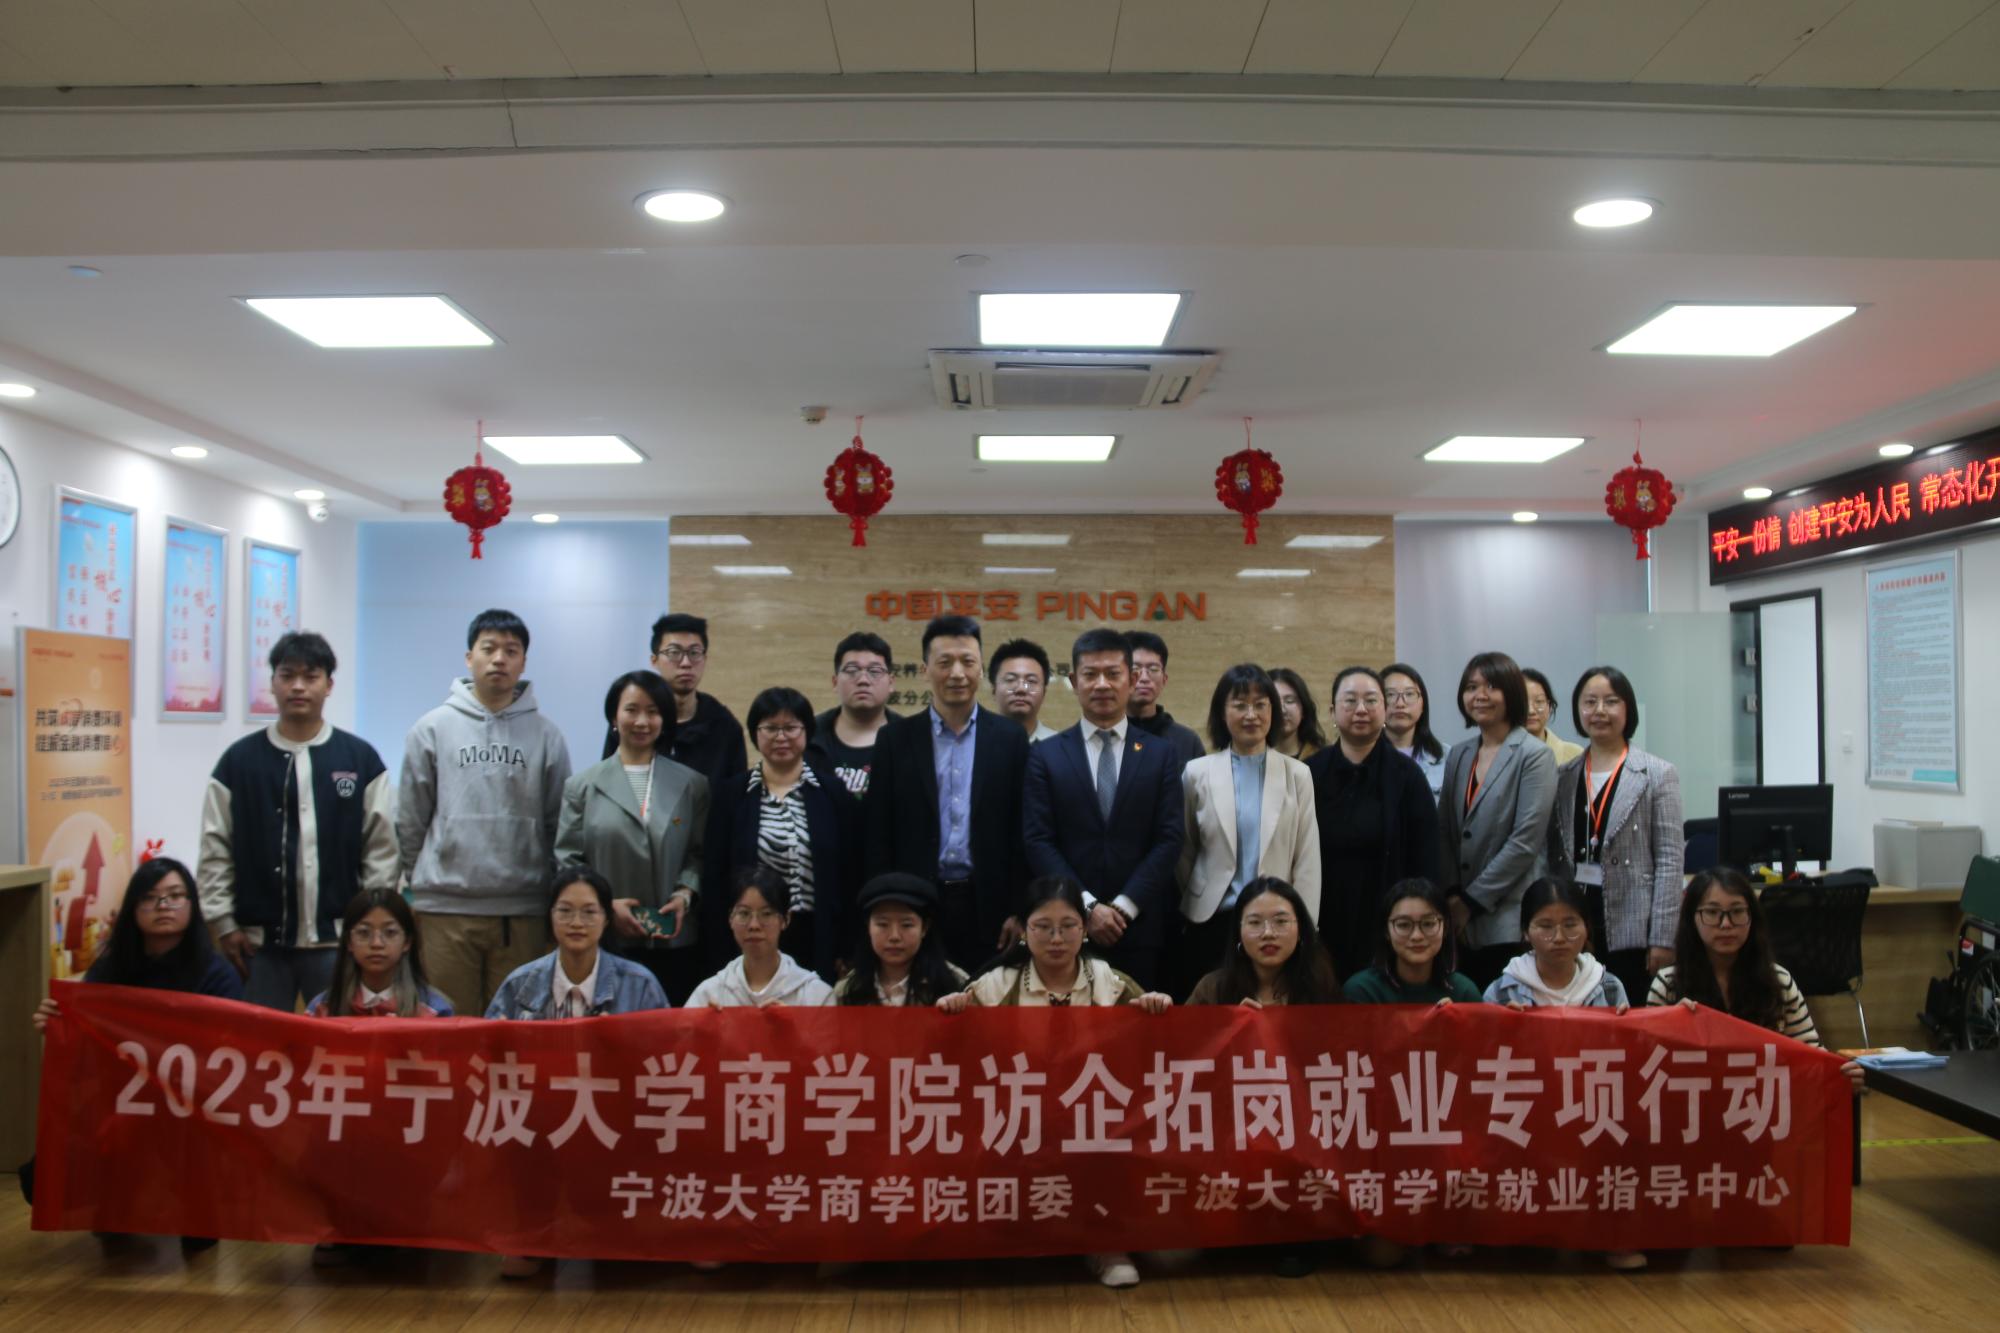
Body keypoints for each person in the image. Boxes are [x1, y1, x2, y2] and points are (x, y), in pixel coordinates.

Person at [938, 877, 1170, 1290]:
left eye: (1068, 926)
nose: (1056, 938)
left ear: (1085, 930)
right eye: (1043, 927)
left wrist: (1157, 1008)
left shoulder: (1110, 982)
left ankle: (1105, 1245)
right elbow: (949, 1056)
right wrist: (951, 1012)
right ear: (1023, 931)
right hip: (1016, 1121)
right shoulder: (995, 986)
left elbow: (1161, 1049)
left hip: (1092, 1123)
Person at [29, 858, 240, 1253]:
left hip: (192, 1099)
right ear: (133, 908)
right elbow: (84, 1028)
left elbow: (231, 1042)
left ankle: (196, 1210)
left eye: (175, 896)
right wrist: (56, 1025)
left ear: (192, 905)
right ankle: (115, 1206)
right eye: (151, 898)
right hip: (122, 1094)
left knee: (199, 1227)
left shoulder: (216, 972)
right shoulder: (110, 968)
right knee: (60, 1163)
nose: (164, 906)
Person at [198, 630, 398, 1012]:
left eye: (311, 676)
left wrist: (370, 927)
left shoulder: (360, 759)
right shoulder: (238, 762)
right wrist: (223, 922)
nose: (298, 687)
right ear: (272, 683)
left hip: (339, 941)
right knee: (261, 1041)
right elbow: (215, 847)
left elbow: (381, 850)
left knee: (339, 1038)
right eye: (287, 675)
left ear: (329, 685)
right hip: (256, 946)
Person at [486, 865, 669, 1279]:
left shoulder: (640, 984)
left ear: (606, 919)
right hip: (539, 1123)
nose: (576, 922)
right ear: (550, 917)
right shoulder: (519, 984)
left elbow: (664, 1068)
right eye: (565, 911)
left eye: (589, 912)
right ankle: (534, 1230)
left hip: (615, 1122)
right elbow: (489, 1063)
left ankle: (611, 1224)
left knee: (616, 1262)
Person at [397, 609, 573, 1016]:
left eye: (511, 651)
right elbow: (410, 819)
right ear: (468, 657)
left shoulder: (547, 735)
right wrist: (420, 883)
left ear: (523, 662)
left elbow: (558, 823)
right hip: (445, 910)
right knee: (448, 1027)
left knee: (515, 1029)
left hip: (522, 912)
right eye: (489, 648)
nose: (499, 659)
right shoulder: (432, 728)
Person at [1481, 878, 1642, 1271]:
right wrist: (1500, 1030)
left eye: (1570, 925)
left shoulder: (1609, 987)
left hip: (1591, 1109)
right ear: (1525, 931)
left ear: (1587, 929)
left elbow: (1631, 1064)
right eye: (1545, 926)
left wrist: (1628, 1032)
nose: (1558, 937)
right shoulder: (1501, 991)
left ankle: (1610, 1235)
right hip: (1527, 1113)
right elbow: (1481, 1067)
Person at [1023, 628, 1185, 990]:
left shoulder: (1160, 754)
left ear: (1131, 679)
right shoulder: (1046, 755)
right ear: (1073, 681)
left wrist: (1124, 906)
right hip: (1066, 927)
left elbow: (1170, 839)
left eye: (1113, 674)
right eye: (1090, 674)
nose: (1102, 684)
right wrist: (1087, 907)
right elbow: (1038, 840)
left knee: (1138, 1020)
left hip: (1140, 926)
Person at [866, 616, 1029, 972]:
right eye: (944, 662)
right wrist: (886, 909)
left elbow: (1022, 831)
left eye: (967, 662)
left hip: (990, 907)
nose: (957, 673)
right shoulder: (894, 740)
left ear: (981, 669)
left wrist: (1020, 910)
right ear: (925, 670)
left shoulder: (1010, 739)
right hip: (914, 906)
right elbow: (878, 832)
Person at [556, 670, 710, 1006]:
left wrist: (684, 895)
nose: (642, 721)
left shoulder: (693, 784)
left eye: (653, 712)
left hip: (673, 939)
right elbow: (569, 861)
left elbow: (699, 853)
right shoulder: (581, 786)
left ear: (664, 720)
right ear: (614, 717)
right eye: (631, 710)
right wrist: (605, 906)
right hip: (604, 937)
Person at [1174, 664, 1319, 999]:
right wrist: (1200, 893)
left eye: (1260, 705)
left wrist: (1305, 923)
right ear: (1222, 713)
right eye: (1239, 705)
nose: (1251, 714)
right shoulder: (1196, 773)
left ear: (1273, 711)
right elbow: (1185, 852)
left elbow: (1307, 856)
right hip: (1213, 918)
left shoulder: (1297, 774)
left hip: (1276, 921)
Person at [1647, 869, 1863, 1090]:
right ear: (1692, 919)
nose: (1726, 924)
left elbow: (1810, 1055)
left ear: (1752, 917)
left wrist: (1840, 1075)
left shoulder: (1778, 981)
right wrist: (1674, 1027)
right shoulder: (1668, 985)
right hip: (1695, 1101)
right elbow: (1649, 1067)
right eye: (1712, 912)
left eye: (1737, 911)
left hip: (1760, 1100)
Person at [1547, 666, 1685, 1005]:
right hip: (1576, 927)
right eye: (1589, 702)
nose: (1599, 711)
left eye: (1611, 701)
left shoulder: (1657, 774)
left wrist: (1662, 937)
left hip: (1634, 928)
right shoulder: (1564, 776)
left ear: (1628, 709)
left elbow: (1670, 861)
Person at [704, 687, 859, 981]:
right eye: (770, 728)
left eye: (791, 727)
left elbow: (849, 873)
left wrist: (848, 947)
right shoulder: (731, 794)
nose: (781, 737)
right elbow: (715, 875)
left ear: (807, 731)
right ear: (755, 733)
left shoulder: (832, 792)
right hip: (752, 932)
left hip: (818, 934)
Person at [1305, 666, 1441, 980]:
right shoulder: (1308, 773)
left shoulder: (1407, 776)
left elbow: (1426, 857)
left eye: (1371, 700)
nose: (1361, 709)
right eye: (1350, 701)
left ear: (1384, 709)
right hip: (1323, 916)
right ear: (1332, 711)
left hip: (1389, 920)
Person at [1436, 651, 1556, 989]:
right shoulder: (1459, 754)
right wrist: (1452, 896)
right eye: (1471, 687)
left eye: (1491, 686)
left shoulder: (1534, 755)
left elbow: (1525, 842)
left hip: (1509, 916)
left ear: (1512, 693)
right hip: (1459, 919)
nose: (1480, 695)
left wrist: (1470, 902)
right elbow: (1445, 830)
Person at [603, 613, 748, 794]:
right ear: (654, 660)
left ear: (705, 659)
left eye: (694, 653)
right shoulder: (634, 723)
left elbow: (736, 796)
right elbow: (607, 784)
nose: (686, 663)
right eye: (674, 653)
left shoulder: (724, 725)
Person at [687, 865, 835, 1007]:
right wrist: (706, 1023)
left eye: (766, 914)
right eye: (744, 913)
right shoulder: (708, 994)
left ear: (786, 919)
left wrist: (795, 1023)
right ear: (730, 918)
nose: (754, 925)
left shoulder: (817, 996)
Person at [1185, 877, 1340, 1008]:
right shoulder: (1212, 989)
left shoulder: (1320, 987)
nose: (1268, 933)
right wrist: (1233, 1026)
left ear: (1300, 929)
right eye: (1255, 922)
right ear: (1239, 932)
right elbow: (1186, 1033)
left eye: (1281, 921)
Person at [305, 889, 454, 1017]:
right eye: (364, 933)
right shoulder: (321, 1009)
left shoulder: (435, 1012)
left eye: (390, 933)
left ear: (407, 942)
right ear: (349, 941)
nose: (376, 944)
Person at [830, 872, 969, 1005]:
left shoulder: (954, 984)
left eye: (906, 925)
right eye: (883, 924)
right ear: (868, 926)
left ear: (924, 928)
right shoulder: (847, 990)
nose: (894, 936)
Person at [1341, 878, 1481, 1004]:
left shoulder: (1464, 992)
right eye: (1403, 925)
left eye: (1428, 923)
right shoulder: (1362, 991)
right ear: (1386, 931)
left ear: (1445, 928)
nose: (1416, 936)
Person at [809, 631, 903, 797]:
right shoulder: (808, 736)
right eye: (852, 670)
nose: (863, 680)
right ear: (835, 682)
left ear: (891, 682)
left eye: (874, 671)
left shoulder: (911, 738)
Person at [1124, 631, 1206, 776]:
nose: (1144, 678)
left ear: (1164, 679)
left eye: (1153, 669)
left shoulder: (1187, 741)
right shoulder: (1105, 735)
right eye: (1135, 668)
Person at [1381, 662, 1447, 802]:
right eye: (1390, 695)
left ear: (1423, 704)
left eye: (1409, 694)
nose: (1400, 704)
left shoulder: (1448, 757)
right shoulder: (1363, 757)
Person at [989, 638, 1059, 742]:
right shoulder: (975, 743)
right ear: (994, 690)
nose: (1021, 689)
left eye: (1031, 681)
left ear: (1044, 693)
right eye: (1011, 680)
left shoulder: (1061, 746)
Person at [1522, 667, 1584, 766]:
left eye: (1539, 701)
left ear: (1550, 707)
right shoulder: (1500, 754)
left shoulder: (1575, 755)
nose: (1531, 711)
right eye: (1523, 702)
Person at [1267, 667, 1326, 761]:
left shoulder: (1322, 758)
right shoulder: (1249, 758)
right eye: (1274, 701)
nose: (1282, 710)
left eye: (1289, 701)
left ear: (1304, 710)